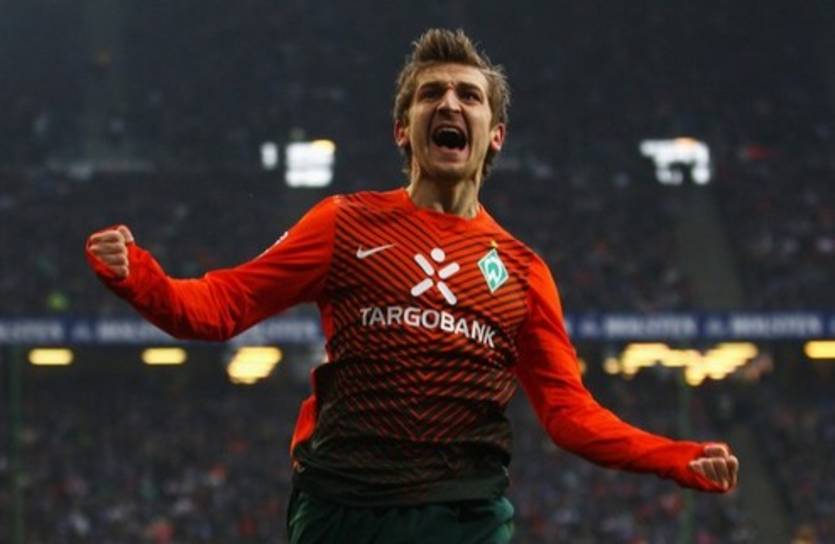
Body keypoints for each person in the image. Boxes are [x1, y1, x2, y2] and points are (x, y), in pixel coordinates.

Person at [86, 28, 739, 543]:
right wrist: (138, 275)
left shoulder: (521, 270)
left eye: (468, 95)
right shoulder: (343, 224)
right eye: (431, 94)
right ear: (404, 129)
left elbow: (570, 416)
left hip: (462, 515)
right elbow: (219, 308)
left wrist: (673, 456)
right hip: (342, 506)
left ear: (495, 136)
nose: (450, 103)